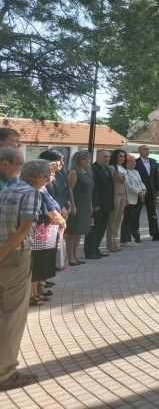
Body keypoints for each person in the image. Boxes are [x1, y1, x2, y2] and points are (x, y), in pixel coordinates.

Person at [0, 159, 51, 391]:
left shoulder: (9, 189)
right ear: (40, 178)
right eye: (48, 177)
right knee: (13, 315)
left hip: (4, 255)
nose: (48, 180)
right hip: (14, 256)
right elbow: (23, 229)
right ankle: (5, 373)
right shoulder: (32, 193)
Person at [29, 160, 66, 306]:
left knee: (40, 264)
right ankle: (31, 295)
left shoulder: (43, 189)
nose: (50, 178)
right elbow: (50, 211)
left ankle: (35, 292)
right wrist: (62, 221)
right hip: (39, 235)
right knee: (36, 264)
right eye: (48, 176)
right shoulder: (38, 190)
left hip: (46, 234)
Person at [85, 150, 114, 260]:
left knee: (102, 228)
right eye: (104, 156)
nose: (107, 158)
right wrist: (95, 203)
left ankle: (96, 249)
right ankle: (89, 251)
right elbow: (94, 188)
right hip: (98, 205)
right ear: (98, 157)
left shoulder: (107, 169)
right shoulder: (93, 169)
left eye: (108, 156)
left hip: (107, 204)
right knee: (94, 229)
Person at [135, 146, 159, 241]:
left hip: (151, 191)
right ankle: (136, 236)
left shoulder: (153, 161)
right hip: (140, 191)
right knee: (136, 214)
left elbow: (156, 177)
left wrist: (158, 189)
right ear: (139, 151)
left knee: (153, 213)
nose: (147, 151)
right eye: (145, 149)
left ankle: (156, 234)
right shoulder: (136, 162)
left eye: (148, 149)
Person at [66, 151, 93, 265]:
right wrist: (72, 205)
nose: (87, 161)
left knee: (79, 232)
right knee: (72, 231)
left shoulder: (87, 173)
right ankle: (69, 257)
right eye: (84, 159)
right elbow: (70, 190)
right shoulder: (73, 172)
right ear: (77, 161)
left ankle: (75, 255)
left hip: (85, 205)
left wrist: (91, 204)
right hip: (77, 204)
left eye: (88, 158)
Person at [120, 154, 146, 247]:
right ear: (126, 163)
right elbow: (127, 185)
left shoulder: (136, 172)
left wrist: (144, 190)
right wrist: (138, 192)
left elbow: (141, 182)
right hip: (130, 197)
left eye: (134, 161)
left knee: (133, 218)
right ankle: (124, 239)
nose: (134, 163)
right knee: (127, 219)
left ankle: (129, 238)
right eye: (131, 161)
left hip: (139, 197)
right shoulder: (125, 172)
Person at [106, 149, 128, 252]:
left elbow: (126, 184)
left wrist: (127, 197)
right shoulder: (111, 168)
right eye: (120, 156)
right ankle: (110, 242)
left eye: (124, 156)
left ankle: (115, 240)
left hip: (123, 194)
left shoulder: (123, 168)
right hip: (115, 195)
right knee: (113, 220)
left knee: (119, 219)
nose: (123, 158)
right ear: (115, 157)